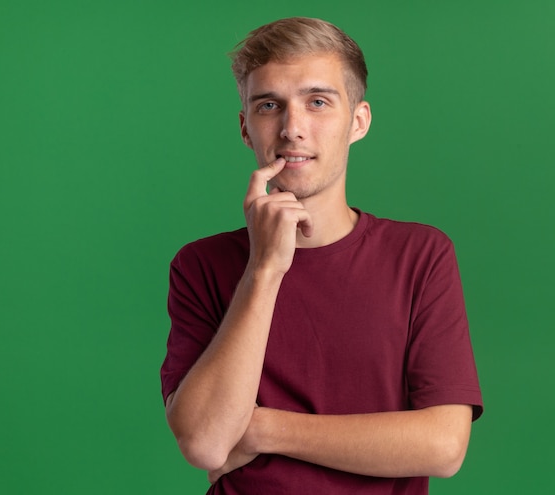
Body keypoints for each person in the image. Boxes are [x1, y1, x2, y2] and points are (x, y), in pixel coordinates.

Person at [161, 17, 483, 494]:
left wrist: (262, 428)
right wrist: (264, 269)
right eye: (269, 105)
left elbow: (443, 446)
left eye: (317, 102)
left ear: (358, 121)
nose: (293, 128)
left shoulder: (420, 255)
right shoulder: (200, 266)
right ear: (246, 128)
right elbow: (207, 445)